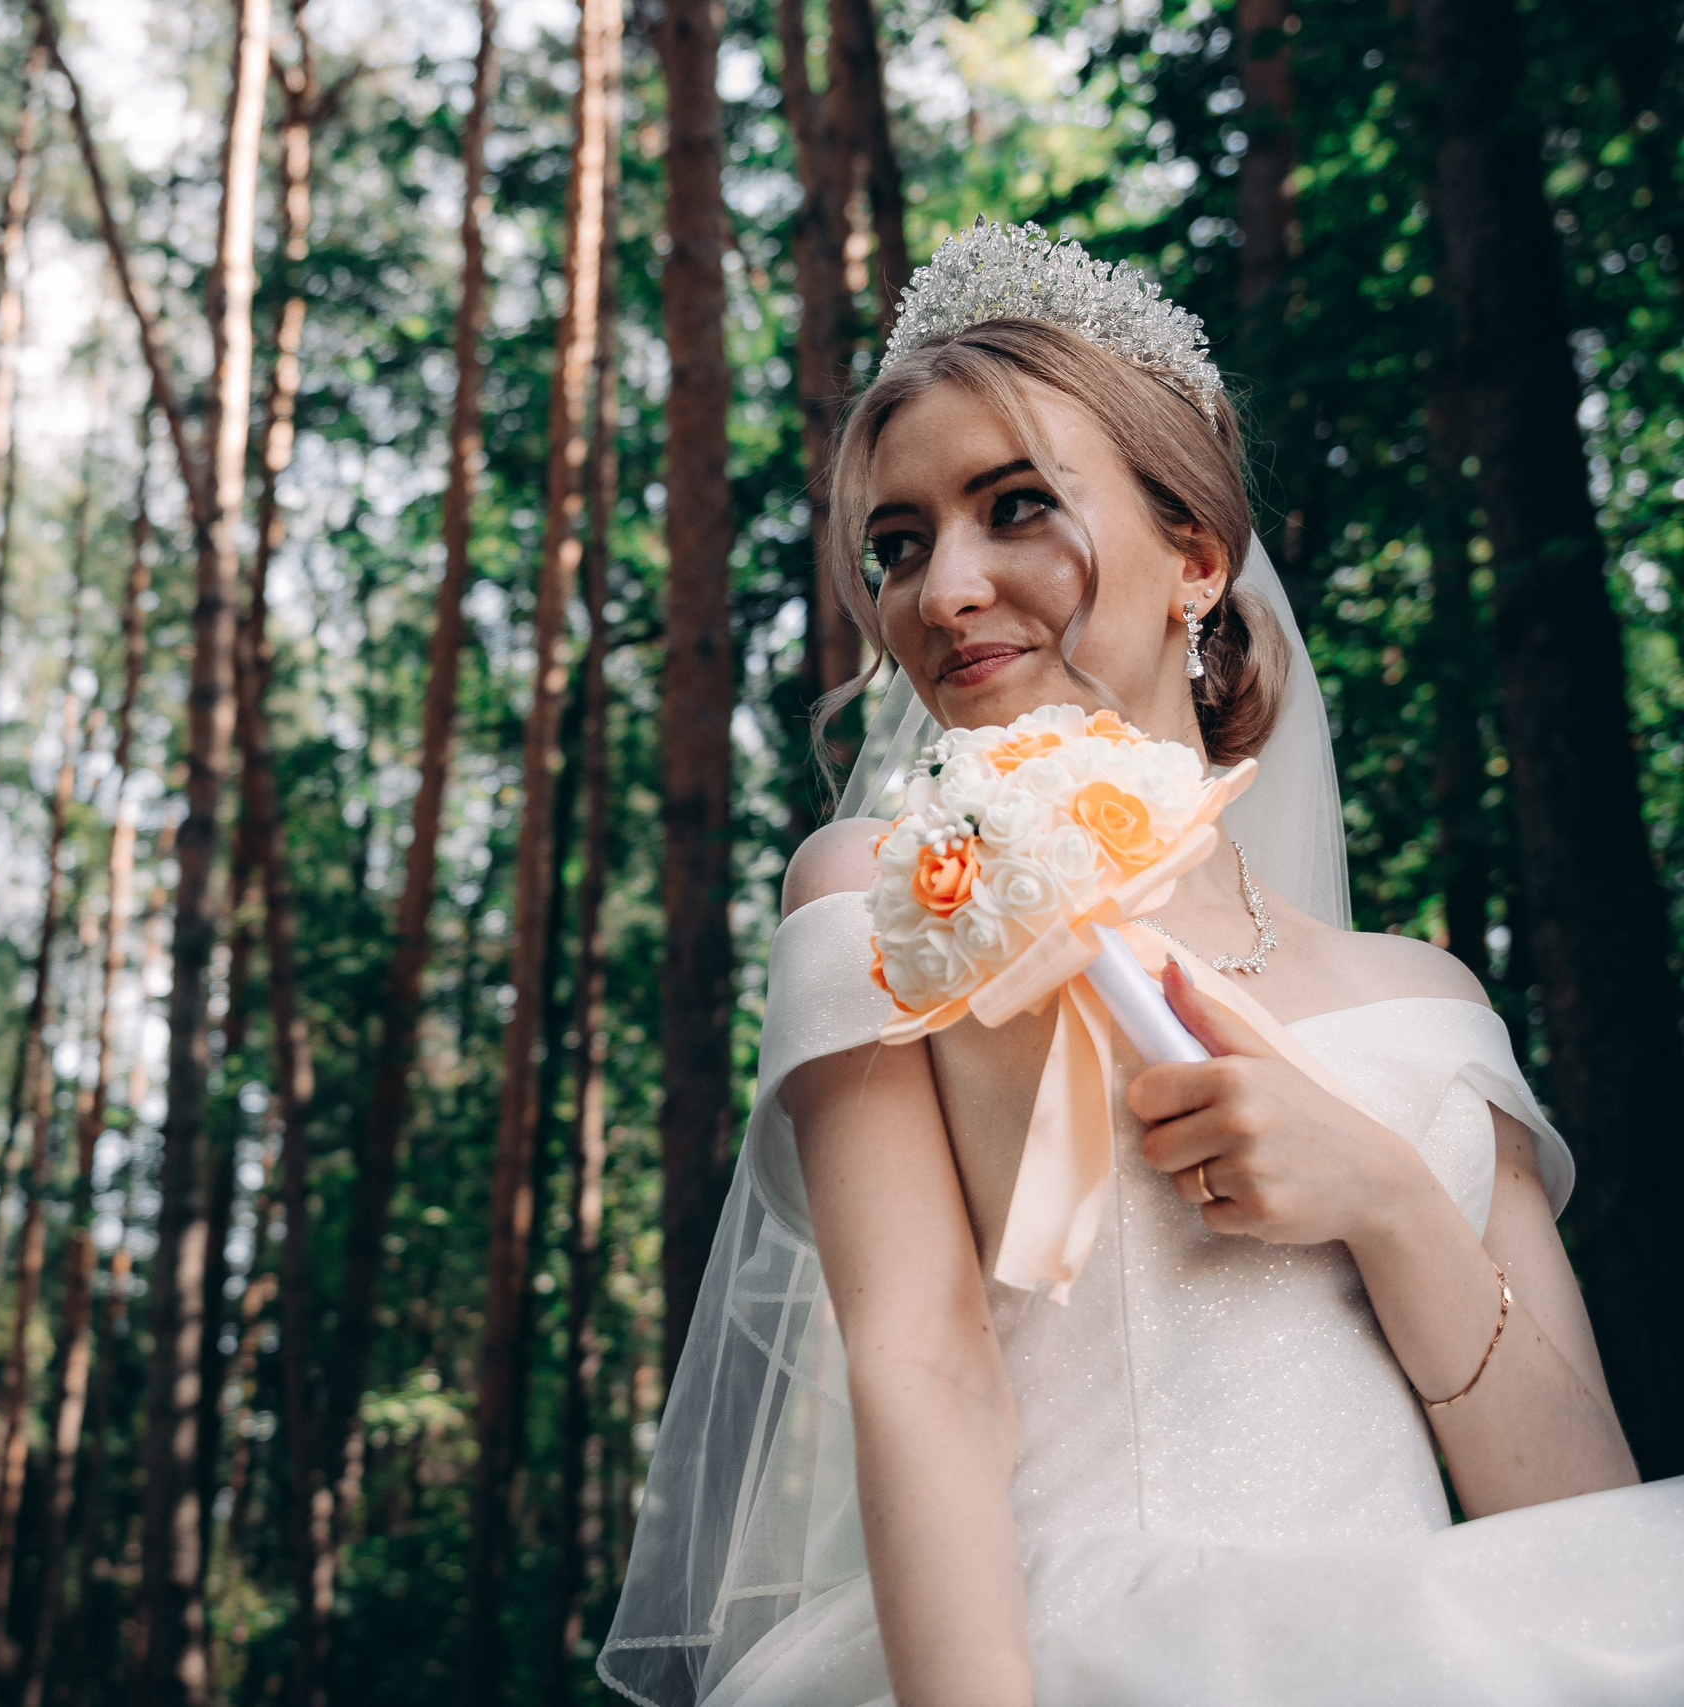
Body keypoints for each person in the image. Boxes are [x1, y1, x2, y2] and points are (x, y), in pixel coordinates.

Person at [596, 222, 1684, 1707]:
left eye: (1015, 506)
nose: (943, 591)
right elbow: (925, 1367)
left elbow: (1577, 1524)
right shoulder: (889, 888)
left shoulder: (1427, 1000)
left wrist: (1381, 1199)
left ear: (1195, 557)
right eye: (899, 543)